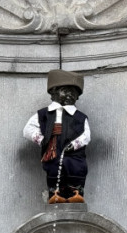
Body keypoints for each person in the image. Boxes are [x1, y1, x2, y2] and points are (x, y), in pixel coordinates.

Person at [23, 69, 90, 204]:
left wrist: (76, 144)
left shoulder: (80, 117)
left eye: (74, 92)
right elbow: (28, 130)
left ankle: (76, 193)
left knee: (76, 168)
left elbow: (86, 135)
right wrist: (42, 140)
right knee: (53, 167)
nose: (70, 95)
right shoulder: (44, 114)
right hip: (52, 146)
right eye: (66, 91)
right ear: (53, 92)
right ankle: (55, 193)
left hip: (74, 151)